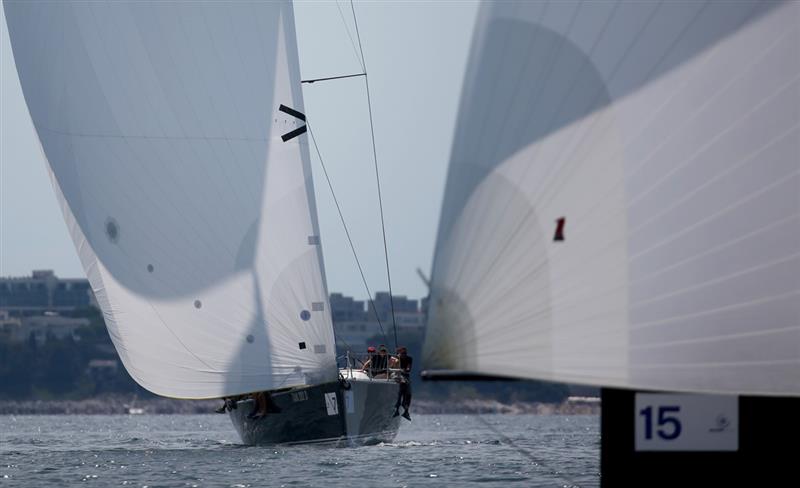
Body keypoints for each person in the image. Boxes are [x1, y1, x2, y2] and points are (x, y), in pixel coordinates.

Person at [392, 346, 413, 420]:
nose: (404, 355)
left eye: (405, 353)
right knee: (399, 393)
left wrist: (406, 370)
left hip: (405, 376)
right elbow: (392, 366)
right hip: (398, 375)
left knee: (408, 394)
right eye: (402, 353)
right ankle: (397, 409)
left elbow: (408, 368)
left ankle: (406, 411)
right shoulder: (396, 358)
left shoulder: (409, 359)